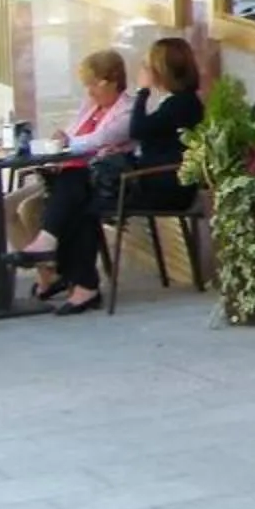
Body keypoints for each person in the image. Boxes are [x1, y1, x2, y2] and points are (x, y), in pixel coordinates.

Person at [32, 39, 203, 314]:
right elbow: (151, 139)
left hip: (166, 187)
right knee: (75, 192)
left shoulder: (183, 104)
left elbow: (139, 129)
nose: (144, 70)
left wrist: (143, 92)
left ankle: (77, 279)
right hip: (148, 178)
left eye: (148, 66)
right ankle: (75, 278)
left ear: (162, 69)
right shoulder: (177, 102)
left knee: (82, 203)